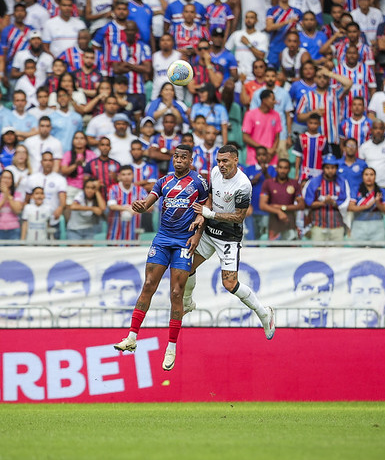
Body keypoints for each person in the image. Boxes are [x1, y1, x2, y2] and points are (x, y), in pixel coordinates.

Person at [113, 145, 209, 372]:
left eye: (183, 157)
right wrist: (139, 206)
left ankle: (171, 347)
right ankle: (131, 337)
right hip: (163, 239)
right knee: (148, 284)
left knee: (176, 293)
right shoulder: (163, 182)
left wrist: (197, 234)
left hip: (184, 241)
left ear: (190, 161)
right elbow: (147, 204)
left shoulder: (199, 182)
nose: (179, 160)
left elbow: (205, 210)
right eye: (176, 157)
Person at [183, 144, 275, 335]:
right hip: (209, 233)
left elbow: (239, 217)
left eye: (225, 161)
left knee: (230, 284)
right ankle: (187, 303)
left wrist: (210, 214)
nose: (221, 165)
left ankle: (263, 313)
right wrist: (202, 222)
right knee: (186, 266)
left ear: (236, 160)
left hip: (228, 238)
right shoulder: (215, 172)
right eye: (218, 161)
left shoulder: (243, 185)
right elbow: (209, 199)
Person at [302, 158, 350, 241]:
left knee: (338, 250)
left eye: (333, 168)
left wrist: (333, 203)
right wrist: (323, 203)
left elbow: (345, 203)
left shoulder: (342, 182)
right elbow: (308, 203)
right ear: (323, 168)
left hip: (337, 226)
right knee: (317, 249)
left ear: (336, 168)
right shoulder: (313, 182)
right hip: (318, 226)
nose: (330, 170)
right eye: (327, 168)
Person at [260, 157, 303, 240]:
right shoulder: (268, 183)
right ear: (276, 169)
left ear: (289, 170)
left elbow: (301, 205)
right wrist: (278, 212)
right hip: (274, 224)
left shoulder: (295, 184)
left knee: (292, 247)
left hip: (290, 222)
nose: (282, 171)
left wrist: (283, 207)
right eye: (280, 167)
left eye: (285, 168)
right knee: (274, 247)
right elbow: (262, 205)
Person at [349, 167, 385, 241]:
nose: (369, 177)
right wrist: (367, 206)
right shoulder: (356, 190)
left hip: (377, 224)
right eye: (366, 175)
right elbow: (350, 207)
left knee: (378, 248)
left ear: (375, 176)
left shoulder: (381, 191)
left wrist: (378, 203)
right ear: (362, 176)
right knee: (356, 248)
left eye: (371, 175)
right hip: (359, 224)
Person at [106, 164, 146, 241]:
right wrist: (129, 209)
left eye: (129, 174)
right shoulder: (113, 189)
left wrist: (135, 210)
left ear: (133, 175)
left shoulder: (140, 190)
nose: (126, 177)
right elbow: (112, 206)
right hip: (115, 234)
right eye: (123, 175)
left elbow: (150, 206)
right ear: (119, 176)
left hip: (134, 234)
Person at [359, 119, 385, 190]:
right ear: (371, 130)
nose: (378, 131)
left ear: (384, 130)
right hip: (370, 186)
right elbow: (362, 167)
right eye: (375, 128)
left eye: (381, 128)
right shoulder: (364, 147)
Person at [292, 260, 334, 327]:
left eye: (323, 289)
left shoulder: (341, 330)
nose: (315, 296)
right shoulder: (283, 329)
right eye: (307, 288)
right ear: (295, 291)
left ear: (331, 292)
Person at [0, 169, 25, 240]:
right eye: (4, 178)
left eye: (9, 178)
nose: (6, 180)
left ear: (12, 181)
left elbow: (17, 210)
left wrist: (7, 194)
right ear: (0, 179)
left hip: (14, 230)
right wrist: (4, 198)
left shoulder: (17, 194)